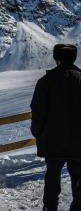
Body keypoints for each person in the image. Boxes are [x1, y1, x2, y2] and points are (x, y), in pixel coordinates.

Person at [30, 44, 81, 211]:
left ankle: (49, 208)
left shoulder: (45, 82)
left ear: (56, 58)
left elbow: (38, 113)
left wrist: (39, 134)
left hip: (52, 142)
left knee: (52, 178)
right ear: (74, 58)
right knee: (79, 180)